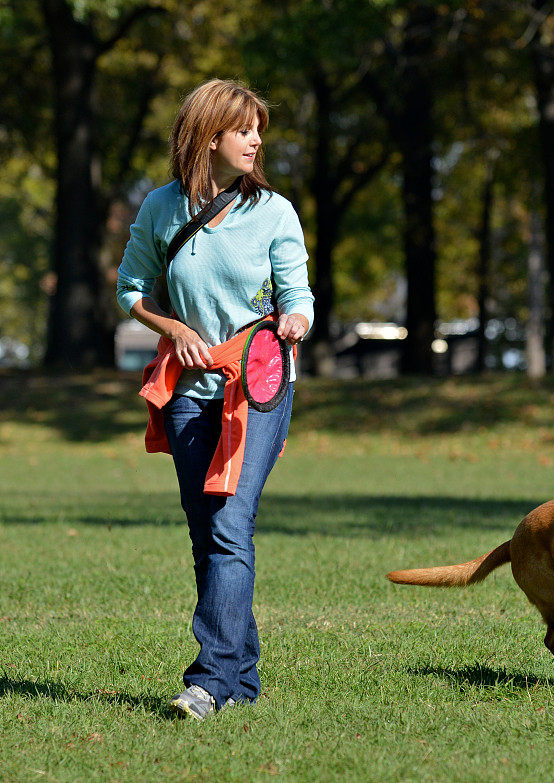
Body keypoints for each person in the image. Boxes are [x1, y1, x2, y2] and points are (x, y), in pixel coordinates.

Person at [116, 79, 314, 719]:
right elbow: (131, 288)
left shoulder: (275, 213)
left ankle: (208, 680)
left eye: (260, 127)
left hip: (256, 387)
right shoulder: (160, 208)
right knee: (207, 532)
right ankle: (243, 679)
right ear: (209, 137)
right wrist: (171, 328)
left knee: (229, 526)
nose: (257, 139)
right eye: (244, 128)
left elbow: (299, 296)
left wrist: (294, 321)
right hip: (187, 394)